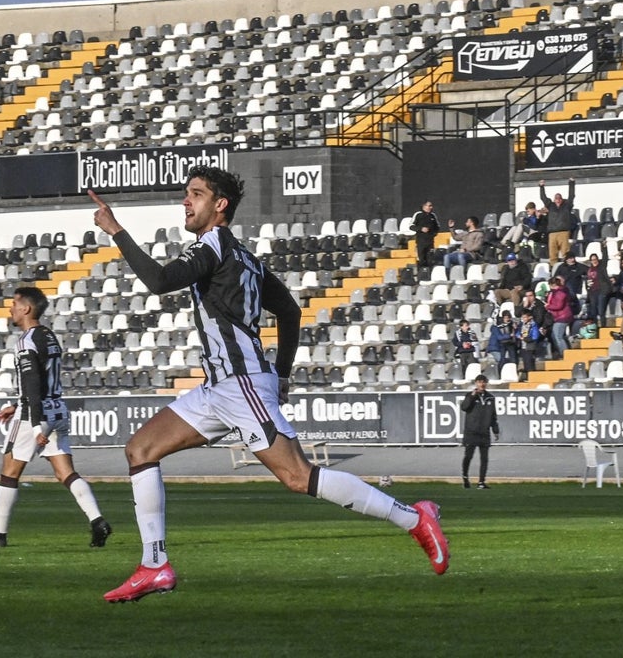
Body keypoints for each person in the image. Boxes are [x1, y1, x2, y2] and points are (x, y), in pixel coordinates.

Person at [90, 167, 449, 601]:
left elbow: (160, 281)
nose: (186, 201)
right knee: (141, 449)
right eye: (187, 193)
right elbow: (291, 313)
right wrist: (280, 375)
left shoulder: (213, 244)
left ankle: (415, 517)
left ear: (219, 205)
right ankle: (154, 565)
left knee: (299, 477)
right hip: (221, 388)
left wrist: (116, 230)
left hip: (239, 385)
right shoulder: (246, 258)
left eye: (196, 194)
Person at [0, 285, 111, 550]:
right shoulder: (49, 336)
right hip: (57, 407)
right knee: (65, 472)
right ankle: (97, 521)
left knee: (9, 471)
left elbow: (32, 383)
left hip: (35, 413)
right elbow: (43, 380)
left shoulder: (26, 341)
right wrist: (16, 403)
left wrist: (34, 425)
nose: (10, 308)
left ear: (26, 308)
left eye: (14, 303)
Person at [459, 375, 499, 490]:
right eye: (480, 382)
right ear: (476, 383)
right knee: (468, 456)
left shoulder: (490, 398)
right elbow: (464, 407)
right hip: (471, 432)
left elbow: (493, 416)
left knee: (484, 458)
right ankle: (465, 477)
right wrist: (472, 396)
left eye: (484, 382)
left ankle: (481, 481)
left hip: (484, 432)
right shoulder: (470, 396)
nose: (482, 384)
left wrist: (495, 430)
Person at [537, 178, 576, 264]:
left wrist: (571, 183)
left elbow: (571, 196)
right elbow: (543, 198)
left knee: (566, 254)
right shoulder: (550, 206)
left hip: (564, 232)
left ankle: (567, 269)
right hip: (552, 233)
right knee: (553, 255)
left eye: (559, 198)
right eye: (556, 198)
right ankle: (554, 271)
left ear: (562, 199)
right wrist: (541, 186)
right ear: (554, 199)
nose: (558, 200)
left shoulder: (567, 206)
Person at [545, 275, 575, 355]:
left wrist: (548, 306)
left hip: (562, 317)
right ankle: (563, 351)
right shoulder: (555, 293)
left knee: (558, 336)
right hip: (558, 317)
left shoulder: (560, 293)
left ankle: (565, 354)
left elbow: (558, 305)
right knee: (555, 335)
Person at [409, 200, 440, 268]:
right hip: (421, 241)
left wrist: (433, 234)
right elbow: (411, 226)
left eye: (431, 206)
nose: (430, 207)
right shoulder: (418, 214)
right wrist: (421, 229)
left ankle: (429, 275)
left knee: (430, 260)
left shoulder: (433, 215)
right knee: (421, 260)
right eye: (428, 206)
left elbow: (437, 227)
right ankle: (421, 275)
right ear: (423, 206)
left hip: (430, 242)